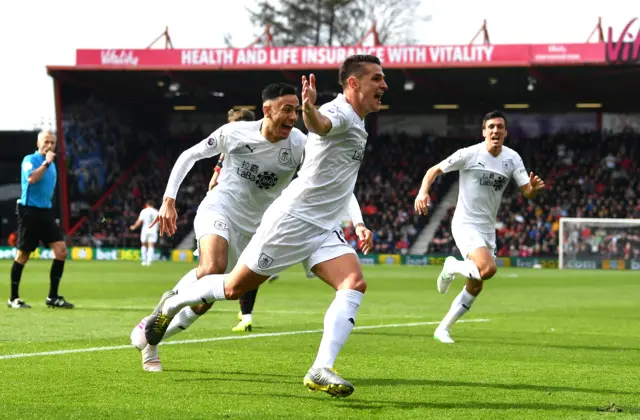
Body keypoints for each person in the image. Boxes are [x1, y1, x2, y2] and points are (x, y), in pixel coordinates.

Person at [143, 54, 386, 398]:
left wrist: (357, 223)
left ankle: (320, 368)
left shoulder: (353, 122)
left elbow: (340, 181)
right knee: (232, 288)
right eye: (377, 78)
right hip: (292, 220)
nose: (384, 85)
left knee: (353, 283)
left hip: (323, 224)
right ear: (353, 83)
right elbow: (321, 123)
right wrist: (308, 111)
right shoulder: (339, 112)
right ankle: (171, 305)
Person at [414, 110, 545, 344]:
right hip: (465, 223)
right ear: (484, 131)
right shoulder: (469, 154)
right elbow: (433, 170)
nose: (496, 131)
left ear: (506, 132)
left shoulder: (512, 158)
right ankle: (452, 265)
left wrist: (533, 189)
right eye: (491, 127)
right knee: (488, 270)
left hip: (487, 229)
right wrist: (423, 192)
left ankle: (443, 329)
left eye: (500, 127)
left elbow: (527, 191)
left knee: (476, 286)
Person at [200, 107, 282, 332]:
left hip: (240, 214)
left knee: (223, 269)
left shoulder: (237, 143)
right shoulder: (255, 144)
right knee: (243, 267)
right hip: (254, 214)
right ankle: (246, 315)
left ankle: (178, 301)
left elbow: (213, 180)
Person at [8, 130, 74, 309]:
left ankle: (52, 297)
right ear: (38, 143)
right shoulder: (30, 160)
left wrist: (49, 163)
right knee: (23, 255)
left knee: (61, 251)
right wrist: (46, 162)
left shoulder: (52, 165)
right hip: (28, 211)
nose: (50, 145)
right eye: (46, 142)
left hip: (45, 212)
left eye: (53, 142)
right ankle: (13, 298)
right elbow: (31, 179)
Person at [129, 200, 160, 266]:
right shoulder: (156, 211)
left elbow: (139, 221)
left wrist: (134, 226)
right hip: (153, 230)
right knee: (151, 245)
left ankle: (144, 261)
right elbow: (160, 223)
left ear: (147, 204)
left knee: (144, 245)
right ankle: (149, 262)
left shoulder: (144, 211)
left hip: (145, 230)